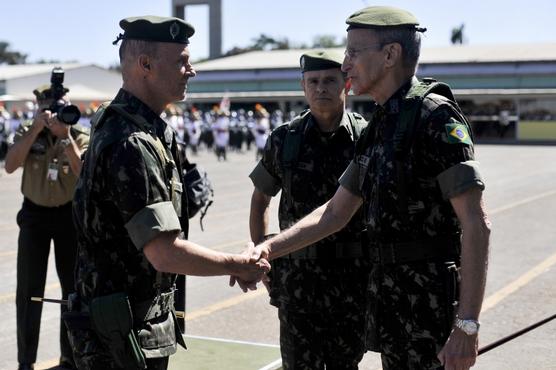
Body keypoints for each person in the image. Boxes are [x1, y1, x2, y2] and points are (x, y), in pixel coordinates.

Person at [243, 6, 491, 370]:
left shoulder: (434, 117)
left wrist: (466, 325)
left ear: (390, 55)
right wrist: (265, 249)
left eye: (354, 53)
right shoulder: (380, 126)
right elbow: (333, 214)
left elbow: (476, 222)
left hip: (429, 312)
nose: (344, 65)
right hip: (391, 309)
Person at [70, 16, 268, 370]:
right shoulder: (133, 141)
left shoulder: (127, 124)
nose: (190, 70)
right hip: (122, 338)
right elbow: (164, 253)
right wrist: (235, 265)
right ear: (145, 65)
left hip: (126, 326)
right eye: (181, 61)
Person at [248, 50, 370, 369]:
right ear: (303, 87)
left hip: (352, 281)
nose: (321, 88)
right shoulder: (284, 139)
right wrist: (265, 258)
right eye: (312, 81)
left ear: (346, 83)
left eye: (330, 80)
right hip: (296, 283)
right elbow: (260, 199)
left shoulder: (367, 137)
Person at [4, 85, 89, 370]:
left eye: (60, 106)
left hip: (68, 216)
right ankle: (25, 361)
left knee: (72, 290)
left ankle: (69, 358)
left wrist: (65, 139)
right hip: (34, 216)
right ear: (39, 107)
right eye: (49, 108)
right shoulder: (29, 130)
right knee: (29, 289)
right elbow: (10, 165)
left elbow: (84, 173)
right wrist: (34, 130)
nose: (55, 113)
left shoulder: (77, 134)